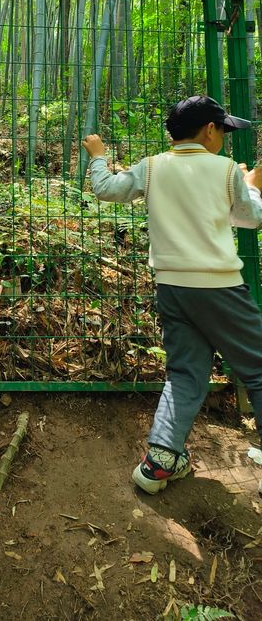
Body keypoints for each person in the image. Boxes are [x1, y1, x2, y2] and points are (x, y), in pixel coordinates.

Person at [82, 96, 262, 494]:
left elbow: (106, 188)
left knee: (184, 373)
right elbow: (250, 218)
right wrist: (250, 186)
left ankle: (159, 462)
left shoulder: (152, 167)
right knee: (259, 370)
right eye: (223, 131)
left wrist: (98, 155)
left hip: (173, 288)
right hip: (219, 288)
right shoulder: (225, 169)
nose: (224, 139)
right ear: (210, 130)